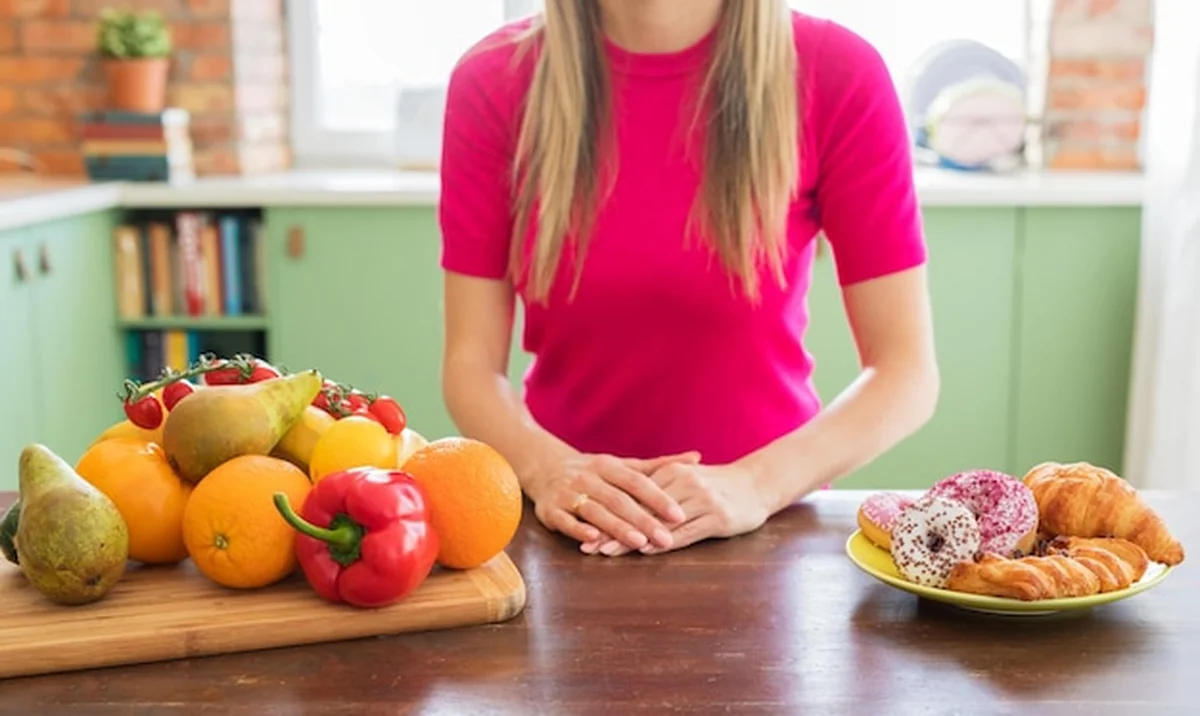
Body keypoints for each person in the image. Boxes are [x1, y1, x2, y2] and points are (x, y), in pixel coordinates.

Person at [437, 0, 939, 558]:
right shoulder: (492, 80)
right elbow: (470, 366)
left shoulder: (838, 71)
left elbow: (906, 373)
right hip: (566, 531)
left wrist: (757, 483)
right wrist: (548, 468)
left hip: (766, 528)